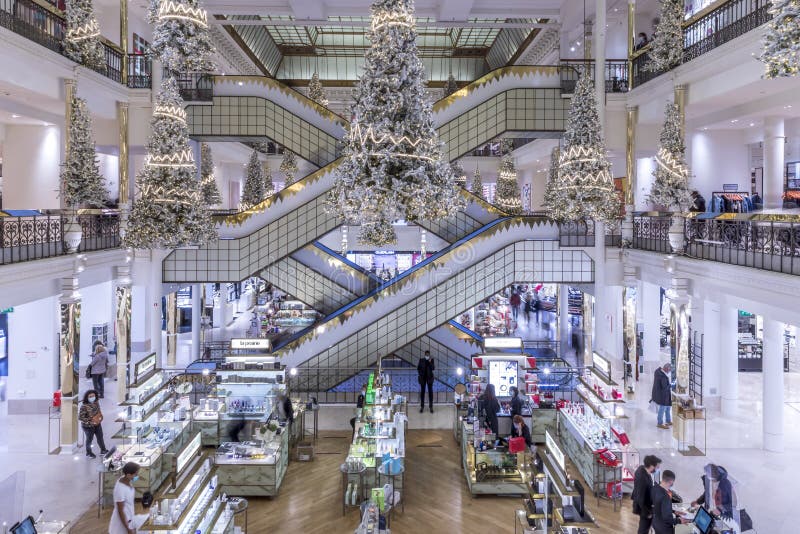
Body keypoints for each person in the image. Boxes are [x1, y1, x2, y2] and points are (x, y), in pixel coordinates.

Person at [651, 470, 689, 534]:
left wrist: (674, 511)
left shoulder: (654, 488)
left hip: (655, 523)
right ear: (671, 482)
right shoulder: (665, 497)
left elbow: (659, 506)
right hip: (664, 529)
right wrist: (679, 520)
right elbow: (667, 518)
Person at [631, 454, 662, 534]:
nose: (658, 469)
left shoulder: (642, 468)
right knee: (644, 528)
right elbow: (640, 498)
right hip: (644, 508)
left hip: (646, 504)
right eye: (657, 467)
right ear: (652, 466)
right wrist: (647, 513)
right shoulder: (642, 479)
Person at [109, 462, 140, 534]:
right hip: (122, 523)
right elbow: (121, 511)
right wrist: (128, 528)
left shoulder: (126, 480)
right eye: (135, 474)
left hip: (130, 517)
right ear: (129, 475)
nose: (137, 476)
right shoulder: (120, 489)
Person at [78, 389, 107, 459]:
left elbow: (98, 411)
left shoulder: (96, 402)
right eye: (90, 396)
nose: (92, 398)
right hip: (88, 426)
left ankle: (103, 450)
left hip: (97, 424)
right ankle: (89, 453)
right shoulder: (84, 406)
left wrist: (99, 418)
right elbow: (80, 418)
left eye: (93, 396)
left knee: (100, 437)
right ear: (87, 397)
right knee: (89, 439)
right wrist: (90, 421)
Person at [651, 363, 673, 429]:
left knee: (668, 407)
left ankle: (668, 420)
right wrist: (672, 385)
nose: (669, 372)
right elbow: (665, 387)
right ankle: (660, 423)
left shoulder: (658, 371)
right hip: (662, 394)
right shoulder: (662, 376)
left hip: (663, 393)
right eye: (669, 370)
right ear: (666, 369)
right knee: (663, 408)